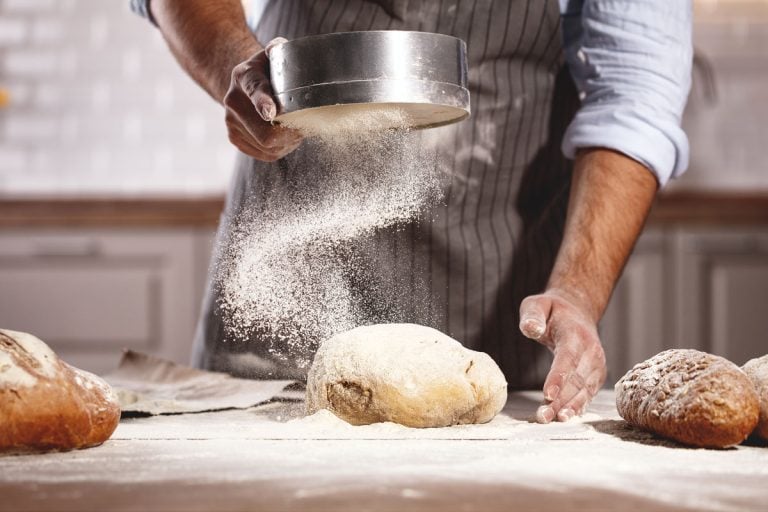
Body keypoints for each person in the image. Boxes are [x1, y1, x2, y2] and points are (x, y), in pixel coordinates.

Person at [130, 0, 692, 423]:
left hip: (493, 273)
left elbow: (634, 95)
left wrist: (576, 292)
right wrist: (237, 65)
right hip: (285, 269)